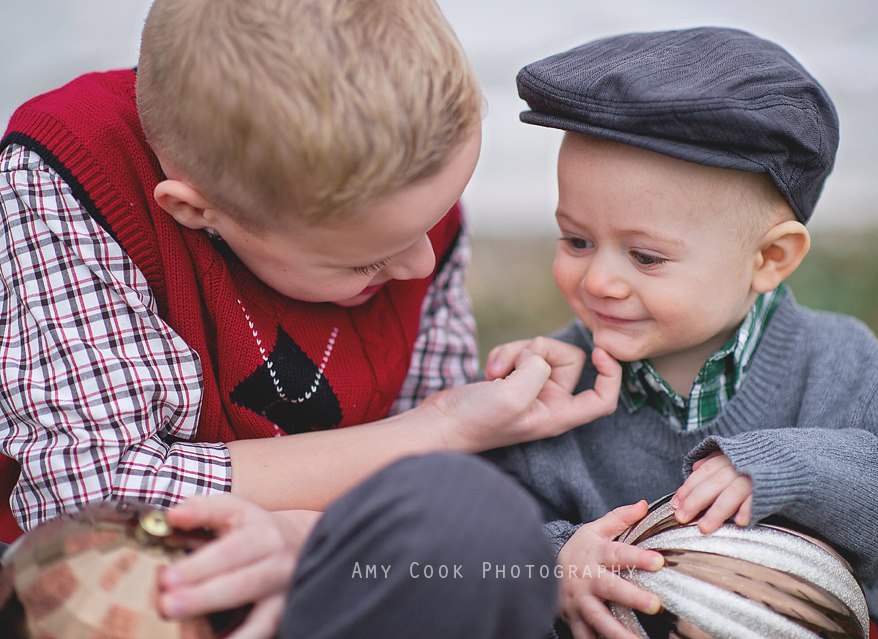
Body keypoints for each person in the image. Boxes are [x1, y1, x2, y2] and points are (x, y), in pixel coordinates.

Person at [0, 0, 625, 636]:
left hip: (329, 560)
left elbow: (430, 498)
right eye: (368, 262)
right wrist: (437, 429)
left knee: (479, 525)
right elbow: (92, 492)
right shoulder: (74, 171)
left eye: (438, 215)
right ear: (194, 210)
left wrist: (312, 531)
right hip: (132, 586)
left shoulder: (403, 198)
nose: (421, 262)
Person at [483, 27, 878, 639]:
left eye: (646, 257)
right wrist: (553, 560)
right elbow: (486, 525)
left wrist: (786, 467)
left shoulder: (837, 362)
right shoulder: (553, 390)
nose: (599, 279)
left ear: (770, 259)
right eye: (576, 240)